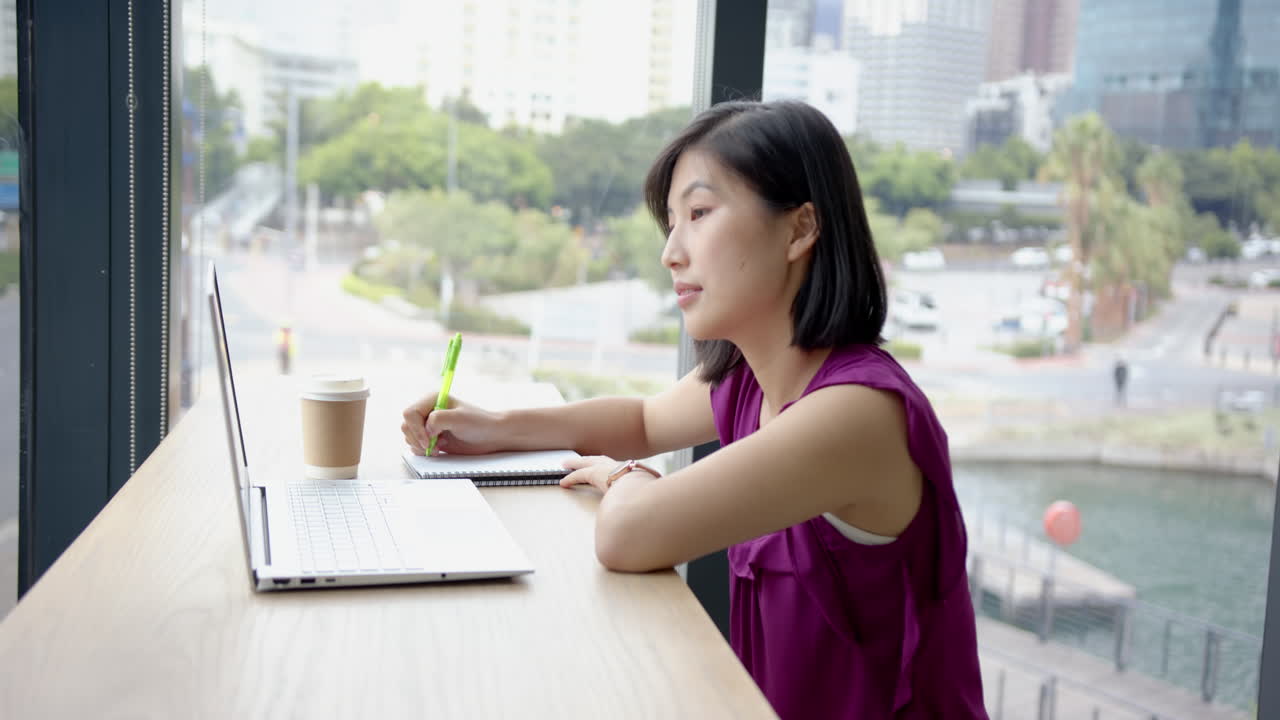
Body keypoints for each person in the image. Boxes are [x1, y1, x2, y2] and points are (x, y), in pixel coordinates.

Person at [401, 100, 986, 718]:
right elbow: (644, 422)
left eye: (700, 213)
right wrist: (494, 428)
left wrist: (620, 477)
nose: (671, 253)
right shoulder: (755, 380)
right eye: (672, 222)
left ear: (799, 229)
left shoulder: (855, 414)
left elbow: (628, 533)